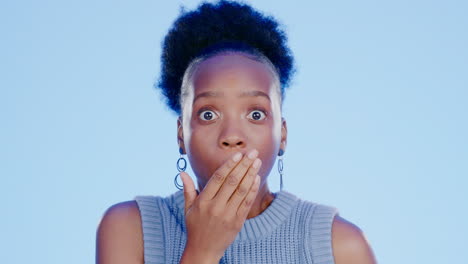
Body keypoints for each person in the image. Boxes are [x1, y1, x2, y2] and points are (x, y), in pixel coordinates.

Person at [96, 1, 376, 263]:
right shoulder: (131, 228)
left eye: (256, 114)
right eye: (208, 114)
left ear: (283, 135)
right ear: (181, 135)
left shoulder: (339, 245)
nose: (232, 135)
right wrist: (202, 250)